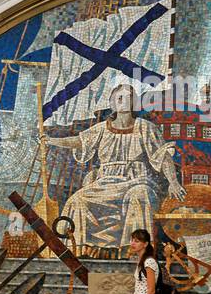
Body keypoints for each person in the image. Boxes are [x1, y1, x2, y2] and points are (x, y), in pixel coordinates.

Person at [43, 83, 184, 257]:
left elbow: (163, 156)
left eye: (129, 98)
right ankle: (77, 251)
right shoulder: (102, 128)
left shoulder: (145, 127)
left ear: (135, 103)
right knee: (77, 200)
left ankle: (135, 252)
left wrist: (174, 182)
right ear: (113, 103)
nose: (124, 102)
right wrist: (52, 141)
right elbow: (79, 141)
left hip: (137, 181)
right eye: (120, 98)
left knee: (140, 196)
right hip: (106, 183)